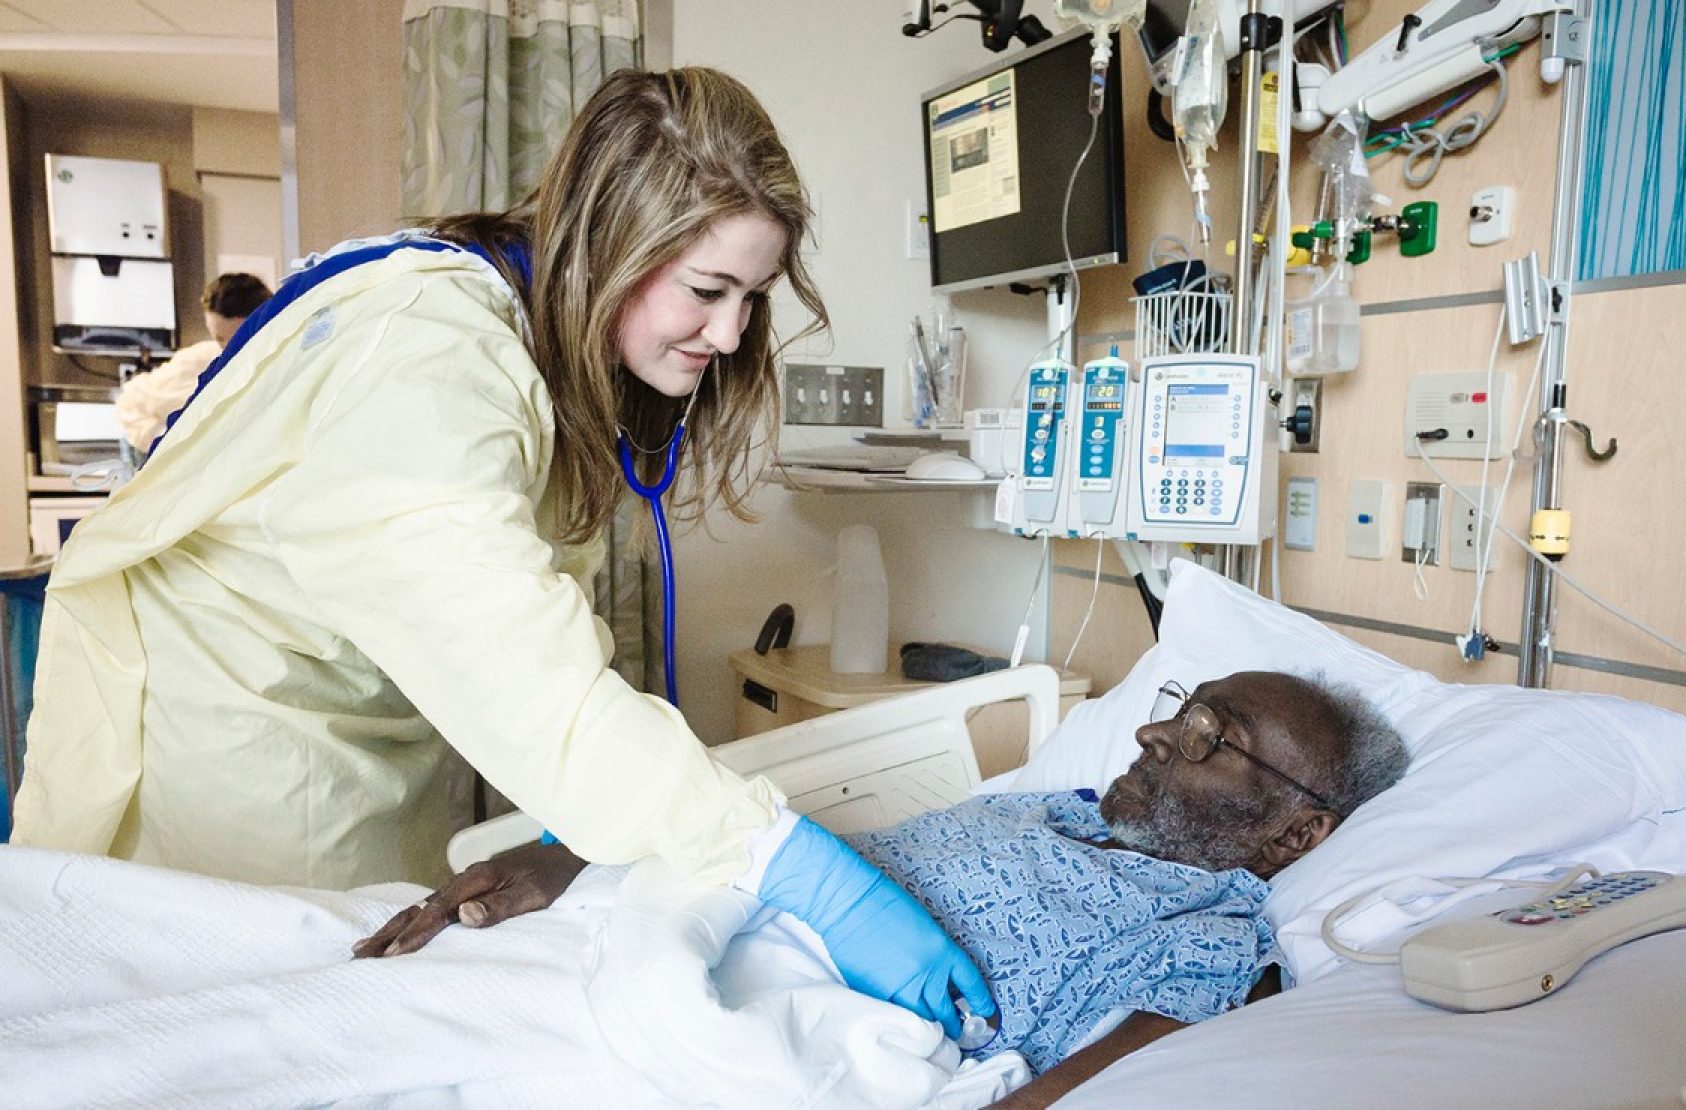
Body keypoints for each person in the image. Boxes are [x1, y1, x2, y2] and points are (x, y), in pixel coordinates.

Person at [13, 68, 991, 1039]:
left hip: (352, 730)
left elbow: (529, 626)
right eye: (707, 289)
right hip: (239, 742)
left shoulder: (526, 342)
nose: (732, 334)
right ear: (612, 240)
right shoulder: (431, 358)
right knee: (260, 1036)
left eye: (753, 296)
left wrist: (569, 836)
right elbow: (530, 682)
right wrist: (800, 870)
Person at [366, 669, 1411, 1103]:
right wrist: (580, 849)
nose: (1152, 729)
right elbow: (769, 853)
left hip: (728, 1040)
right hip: (652, 924)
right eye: (1179, 706)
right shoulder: (1041, 805)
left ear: (1295, 831)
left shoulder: (1213, 941)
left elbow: (1111, 1087)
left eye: (1209, 737)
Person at [114, 272, 273, 453]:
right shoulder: (197, 362)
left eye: (243, 340)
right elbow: (130, 402)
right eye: (220, 340)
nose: (231, 351)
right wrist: (170, 445)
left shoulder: (286, 365)